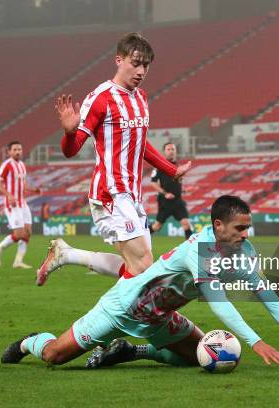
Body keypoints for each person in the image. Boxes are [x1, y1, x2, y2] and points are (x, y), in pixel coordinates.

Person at [1, 196, 279, 371]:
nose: (246, 234)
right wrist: (255, 341)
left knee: (201, 358)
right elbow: (217, 299)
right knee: (54, 357)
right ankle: (31, 341)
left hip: (160, 318)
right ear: (218, 226)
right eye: (240, 228)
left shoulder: (244, 254)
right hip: (122, 309)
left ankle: (130, 351)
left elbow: (272, 300)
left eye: (247, 227)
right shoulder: (200, 248)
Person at [36, 32, 191, 285]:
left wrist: (170, 170)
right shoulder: (101, 98)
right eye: (135, 62)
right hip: (110, 193)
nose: (141, 70)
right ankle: (99, 322)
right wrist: (69, 132)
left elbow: (140, 145)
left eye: (146, 65)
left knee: (140, 268)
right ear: (119, 60)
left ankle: (67, 254)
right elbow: (71, 150)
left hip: (132, 194)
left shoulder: (140, 98)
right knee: (142, 266)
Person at [0, 141, 41, 269]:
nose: (18, 151)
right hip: (12, 204)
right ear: (9, 152)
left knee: (28, 232)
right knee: (19, 234)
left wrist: (33, 189)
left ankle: (18, 261)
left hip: (22, 203)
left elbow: (22, 184)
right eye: (15, 149)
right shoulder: (6, 165)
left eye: (19, 149)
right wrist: (9, 195)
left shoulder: (22, 165)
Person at [149, 142, 193, 239]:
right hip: (165, 202)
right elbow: (153, 183)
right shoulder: (159, 166)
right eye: (168, 149)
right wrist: (165, 193)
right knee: (157, 226)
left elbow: (177, 182)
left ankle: (191, 249)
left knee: (186, 224)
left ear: (175, 151)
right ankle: (142, 237)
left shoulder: (178, 166)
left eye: (173, 149)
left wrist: (184, 190)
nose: (171, 151)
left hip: (178, 200)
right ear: (164, 152)